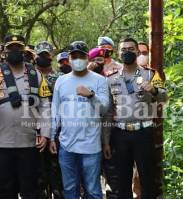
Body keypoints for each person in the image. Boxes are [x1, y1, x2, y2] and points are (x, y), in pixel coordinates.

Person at [0, 35, 52, 199]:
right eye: (11, 48)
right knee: (4, 189)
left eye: (18, 48)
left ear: (23, 51)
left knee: (30, 189)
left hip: (29, 143)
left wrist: (45, 133)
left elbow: (44, 105)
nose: (15, 52)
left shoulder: (35, 74)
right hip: (1, 143)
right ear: (4, 51)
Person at [103, 37, 167, 199]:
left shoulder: (151, 74)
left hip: (143, 132)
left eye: (131, 49)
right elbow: (109, 112)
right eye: (123, 49)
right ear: (118, 53)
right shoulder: (111, 78)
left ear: (137, 52)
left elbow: (164, 97)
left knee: (147, 179)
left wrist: (153, 90)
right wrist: (106, 140)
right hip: (120, 134)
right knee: (122, 180)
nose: (127, 52)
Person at [50, 41, 109, 199]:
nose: (77, 59)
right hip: (66, 146)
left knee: (93, 190)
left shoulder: (99, 80)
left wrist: (91, 95)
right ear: (68, 59)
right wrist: (51, 137)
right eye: (73, 56)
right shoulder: (61, 81)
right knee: (69, 189)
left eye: (81, 56)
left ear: (87, 58)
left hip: (91, 146)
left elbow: (104, 109)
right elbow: (55, 111)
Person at [87, 47, 119, 199]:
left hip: (105, 136)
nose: (98, 63)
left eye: (101, 60)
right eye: (95, 60)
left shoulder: (108, 81)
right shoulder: (78, 81)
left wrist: (106, 142)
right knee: (88, 180)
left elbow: (107, 115)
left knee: (112, 178)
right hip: (84, 138)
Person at [34, 41, 64, 199]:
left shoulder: (60, 78)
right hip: (34, 130)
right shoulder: (30, 76)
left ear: (52, 56)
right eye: (40, 55)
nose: (43, 58)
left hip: (57, 131)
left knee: (56, 173)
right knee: (38, 175)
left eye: (46, 55)